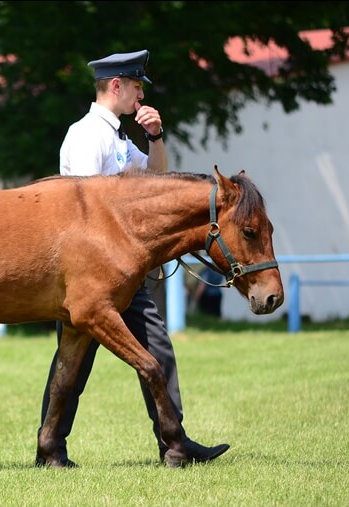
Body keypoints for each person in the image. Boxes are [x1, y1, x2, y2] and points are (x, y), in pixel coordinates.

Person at [36, 50, 230, 467]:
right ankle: (51, 446)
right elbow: (86, 206)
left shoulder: (120, 137)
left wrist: (156, 138)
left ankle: (174, 444)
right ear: (117, 86)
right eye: (137, 86)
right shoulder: (87, 135)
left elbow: (156, 182)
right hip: (92, 274)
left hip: (124, 272)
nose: (141, 94)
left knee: (156, 349)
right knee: (74, 363)